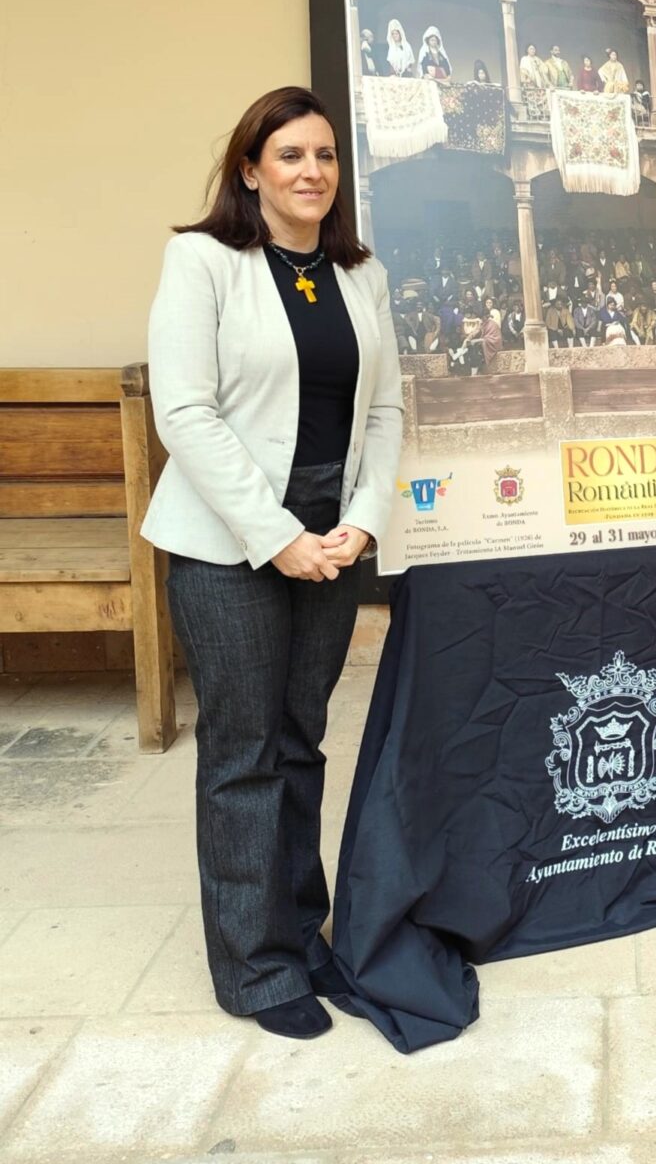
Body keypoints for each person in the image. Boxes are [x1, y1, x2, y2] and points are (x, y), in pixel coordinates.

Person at [141, 86, 402, 1039]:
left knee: (301, 741)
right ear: (250, 169)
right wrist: (274, 534)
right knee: (244, 753)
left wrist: (361, 522)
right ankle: (253, 967)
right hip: (229, 544)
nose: (312, 173)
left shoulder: (360, 275)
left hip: (331, 543)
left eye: (326, 156)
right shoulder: (202, 261)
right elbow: (186, 413)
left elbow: (384, 413)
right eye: (290, 155)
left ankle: (300, 929)